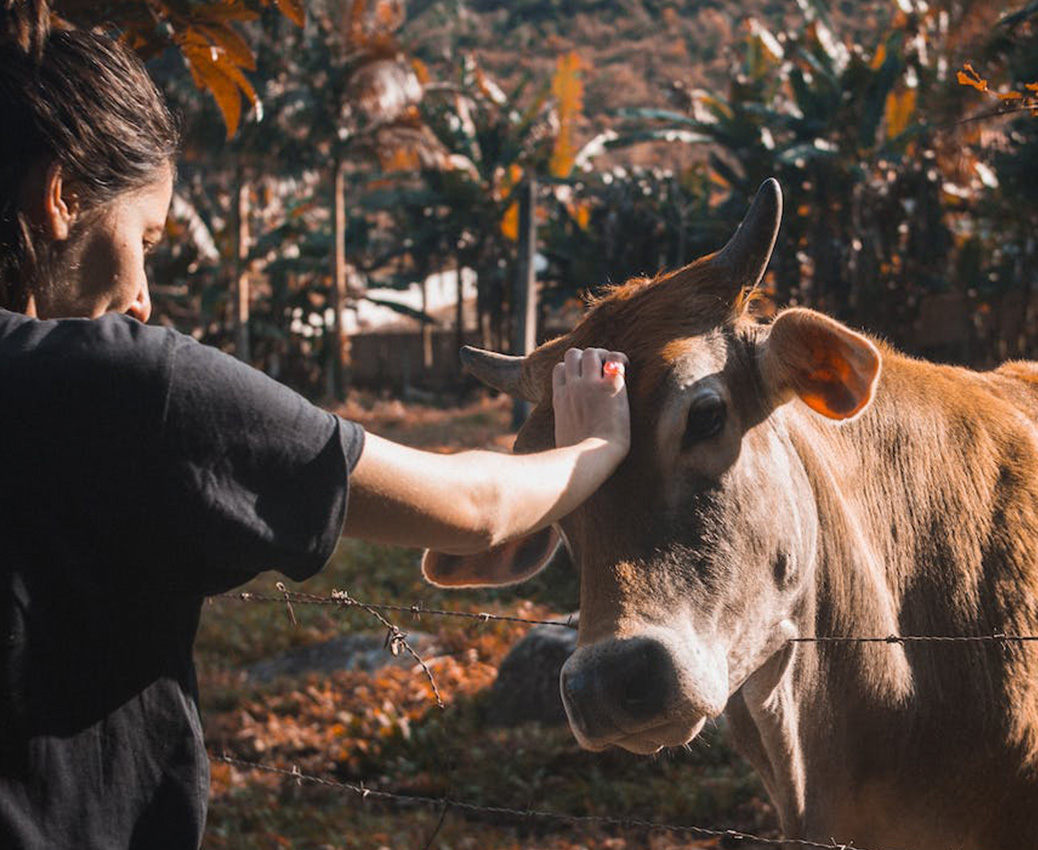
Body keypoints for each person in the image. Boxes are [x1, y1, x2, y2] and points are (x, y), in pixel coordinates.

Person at [0, 7, 630, 849]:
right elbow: (473, 507)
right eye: (144, 238)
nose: (146, 293)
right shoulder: (131, 386)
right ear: (63, 196)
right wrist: (597, 444)